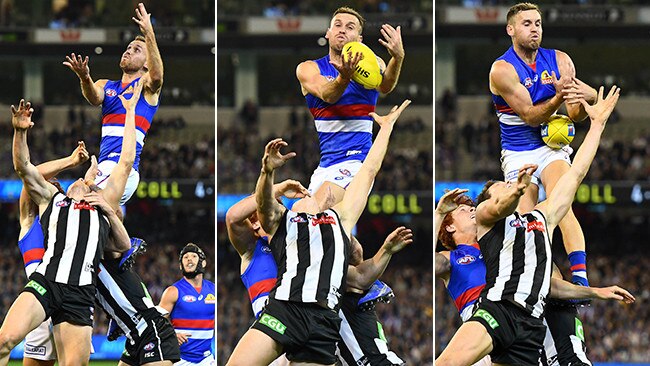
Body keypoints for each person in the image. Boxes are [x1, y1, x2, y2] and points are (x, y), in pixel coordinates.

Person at [435, 86, 624, 365]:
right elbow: (500, 206)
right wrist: (516, 191)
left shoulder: (540, 219)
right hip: (498, 312)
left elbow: (574, 176)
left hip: (530, 325)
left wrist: (597, 125)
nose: (510, 185)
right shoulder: (487, 218)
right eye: (503, 185)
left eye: (510, 184)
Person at [226, 100, 410, 366]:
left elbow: (368, 170)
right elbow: (263, 204)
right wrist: (267, 172)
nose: (325, 190)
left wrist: (386, 129)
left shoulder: (342, 218)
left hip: (323, 321)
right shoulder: (284, 222)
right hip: (286, 311)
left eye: (330, 189)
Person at [0, 83, 141, 365]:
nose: (78, 180)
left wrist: (129, 112)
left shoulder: (104, 204)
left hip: (80, 293)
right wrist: (20, 132)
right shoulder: (53, 199)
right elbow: (25, 168)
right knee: (4, 340)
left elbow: (125, 162)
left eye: (87, 178)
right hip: (47, 281)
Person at [434, 189, 633, 366]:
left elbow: (543, 284)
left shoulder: (501, 247)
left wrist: (595, 292)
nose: (471, 210)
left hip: (517, 328)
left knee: (550, 268)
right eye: (462, 210)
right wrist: (439, 213)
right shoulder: (450, 259)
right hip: (482, 332)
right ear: (449, 227)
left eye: (472, 208)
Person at [226, 190, 407, 366]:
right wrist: (277, 189)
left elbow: (359, 268)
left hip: (308, 332)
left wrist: (333, 226)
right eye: (265, 212)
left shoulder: (307, 249)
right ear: (255, 224)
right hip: (273, 334)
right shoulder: (252, 250)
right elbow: (233, 216)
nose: (278, 214)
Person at [489, 2, 599, 288]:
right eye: (526, 24)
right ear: (510, 29)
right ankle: (546, 280)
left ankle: (580, 278)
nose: (534, 29)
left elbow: (575, 114)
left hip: (552, 149)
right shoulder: (502, 69)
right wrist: (558, 96)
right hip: (517, 151)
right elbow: (529, 116)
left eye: (537, 23)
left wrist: (587, 98)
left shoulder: (560, 60)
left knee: (562, 202)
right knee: (527, 222)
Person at [296, 6, 404, 204]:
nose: (342, 30)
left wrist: (397, 58)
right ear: (328, 33)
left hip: (357, 161)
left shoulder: (374, 64)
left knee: (312, 210)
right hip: (326, 165)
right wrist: (344, 77)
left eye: (350, 27)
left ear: (359, 38)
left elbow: (386, 86)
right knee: (303, 223)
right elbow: (328, 95)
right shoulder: (309, 68)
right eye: (337, 25)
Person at [63, 2, 163, 205]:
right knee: (85, 208)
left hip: (123, 168)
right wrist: (84, 77)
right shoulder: (106, 85)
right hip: (104, 166)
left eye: (136, 50)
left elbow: (157, 76)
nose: (128, 51)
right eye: (128, 48)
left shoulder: (146, 87)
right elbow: (94, 97)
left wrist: (149, 33)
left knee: (79, 196)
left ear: (146, 63)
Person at [17, 143, 89, 366]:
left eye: (57, 187)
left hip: (71, 302)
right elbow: (32, 175)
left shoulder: (75, 226)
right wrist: (69, 161)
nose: (52, 185)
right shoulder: (31, 225)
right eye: (48, 185)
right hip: (39, 306)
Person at [95, 233, 180, 366]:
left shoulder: (109, 261)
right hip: (134, 336)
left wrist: (125, 244)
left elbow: (114, 216)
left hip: (151, 329)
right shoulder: (87, 274)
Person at [159, 244, 215, 366]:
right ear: (180, 265)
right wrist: (172, 335)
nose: (189, 259)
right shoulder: (172, 291)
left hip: (207, 359)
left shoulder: (213, 290)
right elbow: (157, 322)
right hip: (179, 359)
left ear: (203, 263)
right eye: (185, 257)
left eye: (194, 256)